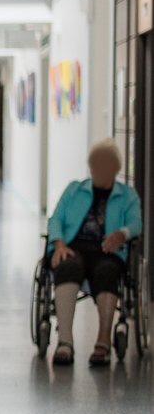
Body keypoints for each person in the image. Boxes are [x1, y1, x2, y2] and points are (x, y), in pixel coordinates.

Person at [47, 138, 142, 367]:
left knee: (107, 271)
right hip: (74, 246)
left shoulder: (127, 195)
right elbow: (55, 219)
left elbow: (136, 223)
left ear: (115, 168)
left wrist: (122, 233)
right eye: (94, 165)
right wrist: (59, 244)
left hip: (108, 250)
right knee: (67, 266)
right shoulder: (75, 189)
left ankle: (103, 341)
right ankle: (65, 342)